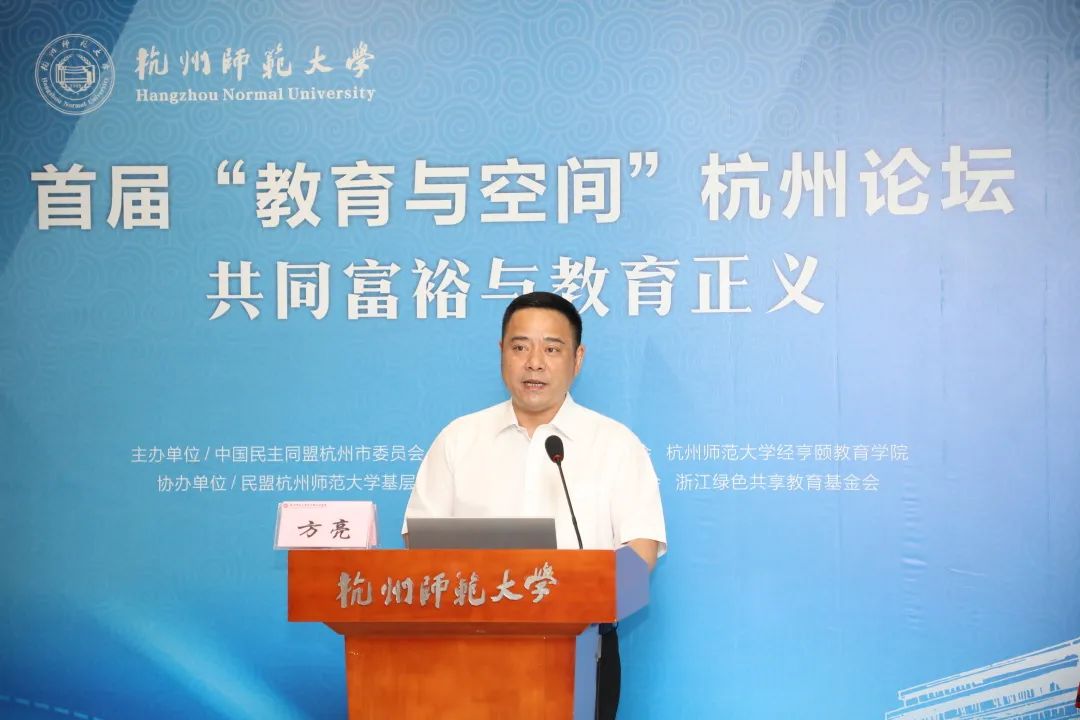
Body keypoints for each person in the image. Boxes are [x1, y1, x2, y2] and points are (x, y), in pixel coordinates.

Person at [402, 291, 666, 720]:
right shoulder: (458, 439)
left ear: (577, 359)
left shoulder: (616, 445)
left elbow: (641, 552)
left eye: (552, 349)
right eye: (520, 347)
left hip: (583, 648)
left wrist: (581, 596)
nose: (535, 363)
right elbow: (419, 542)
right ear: (501, 353)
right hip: (469, 647)